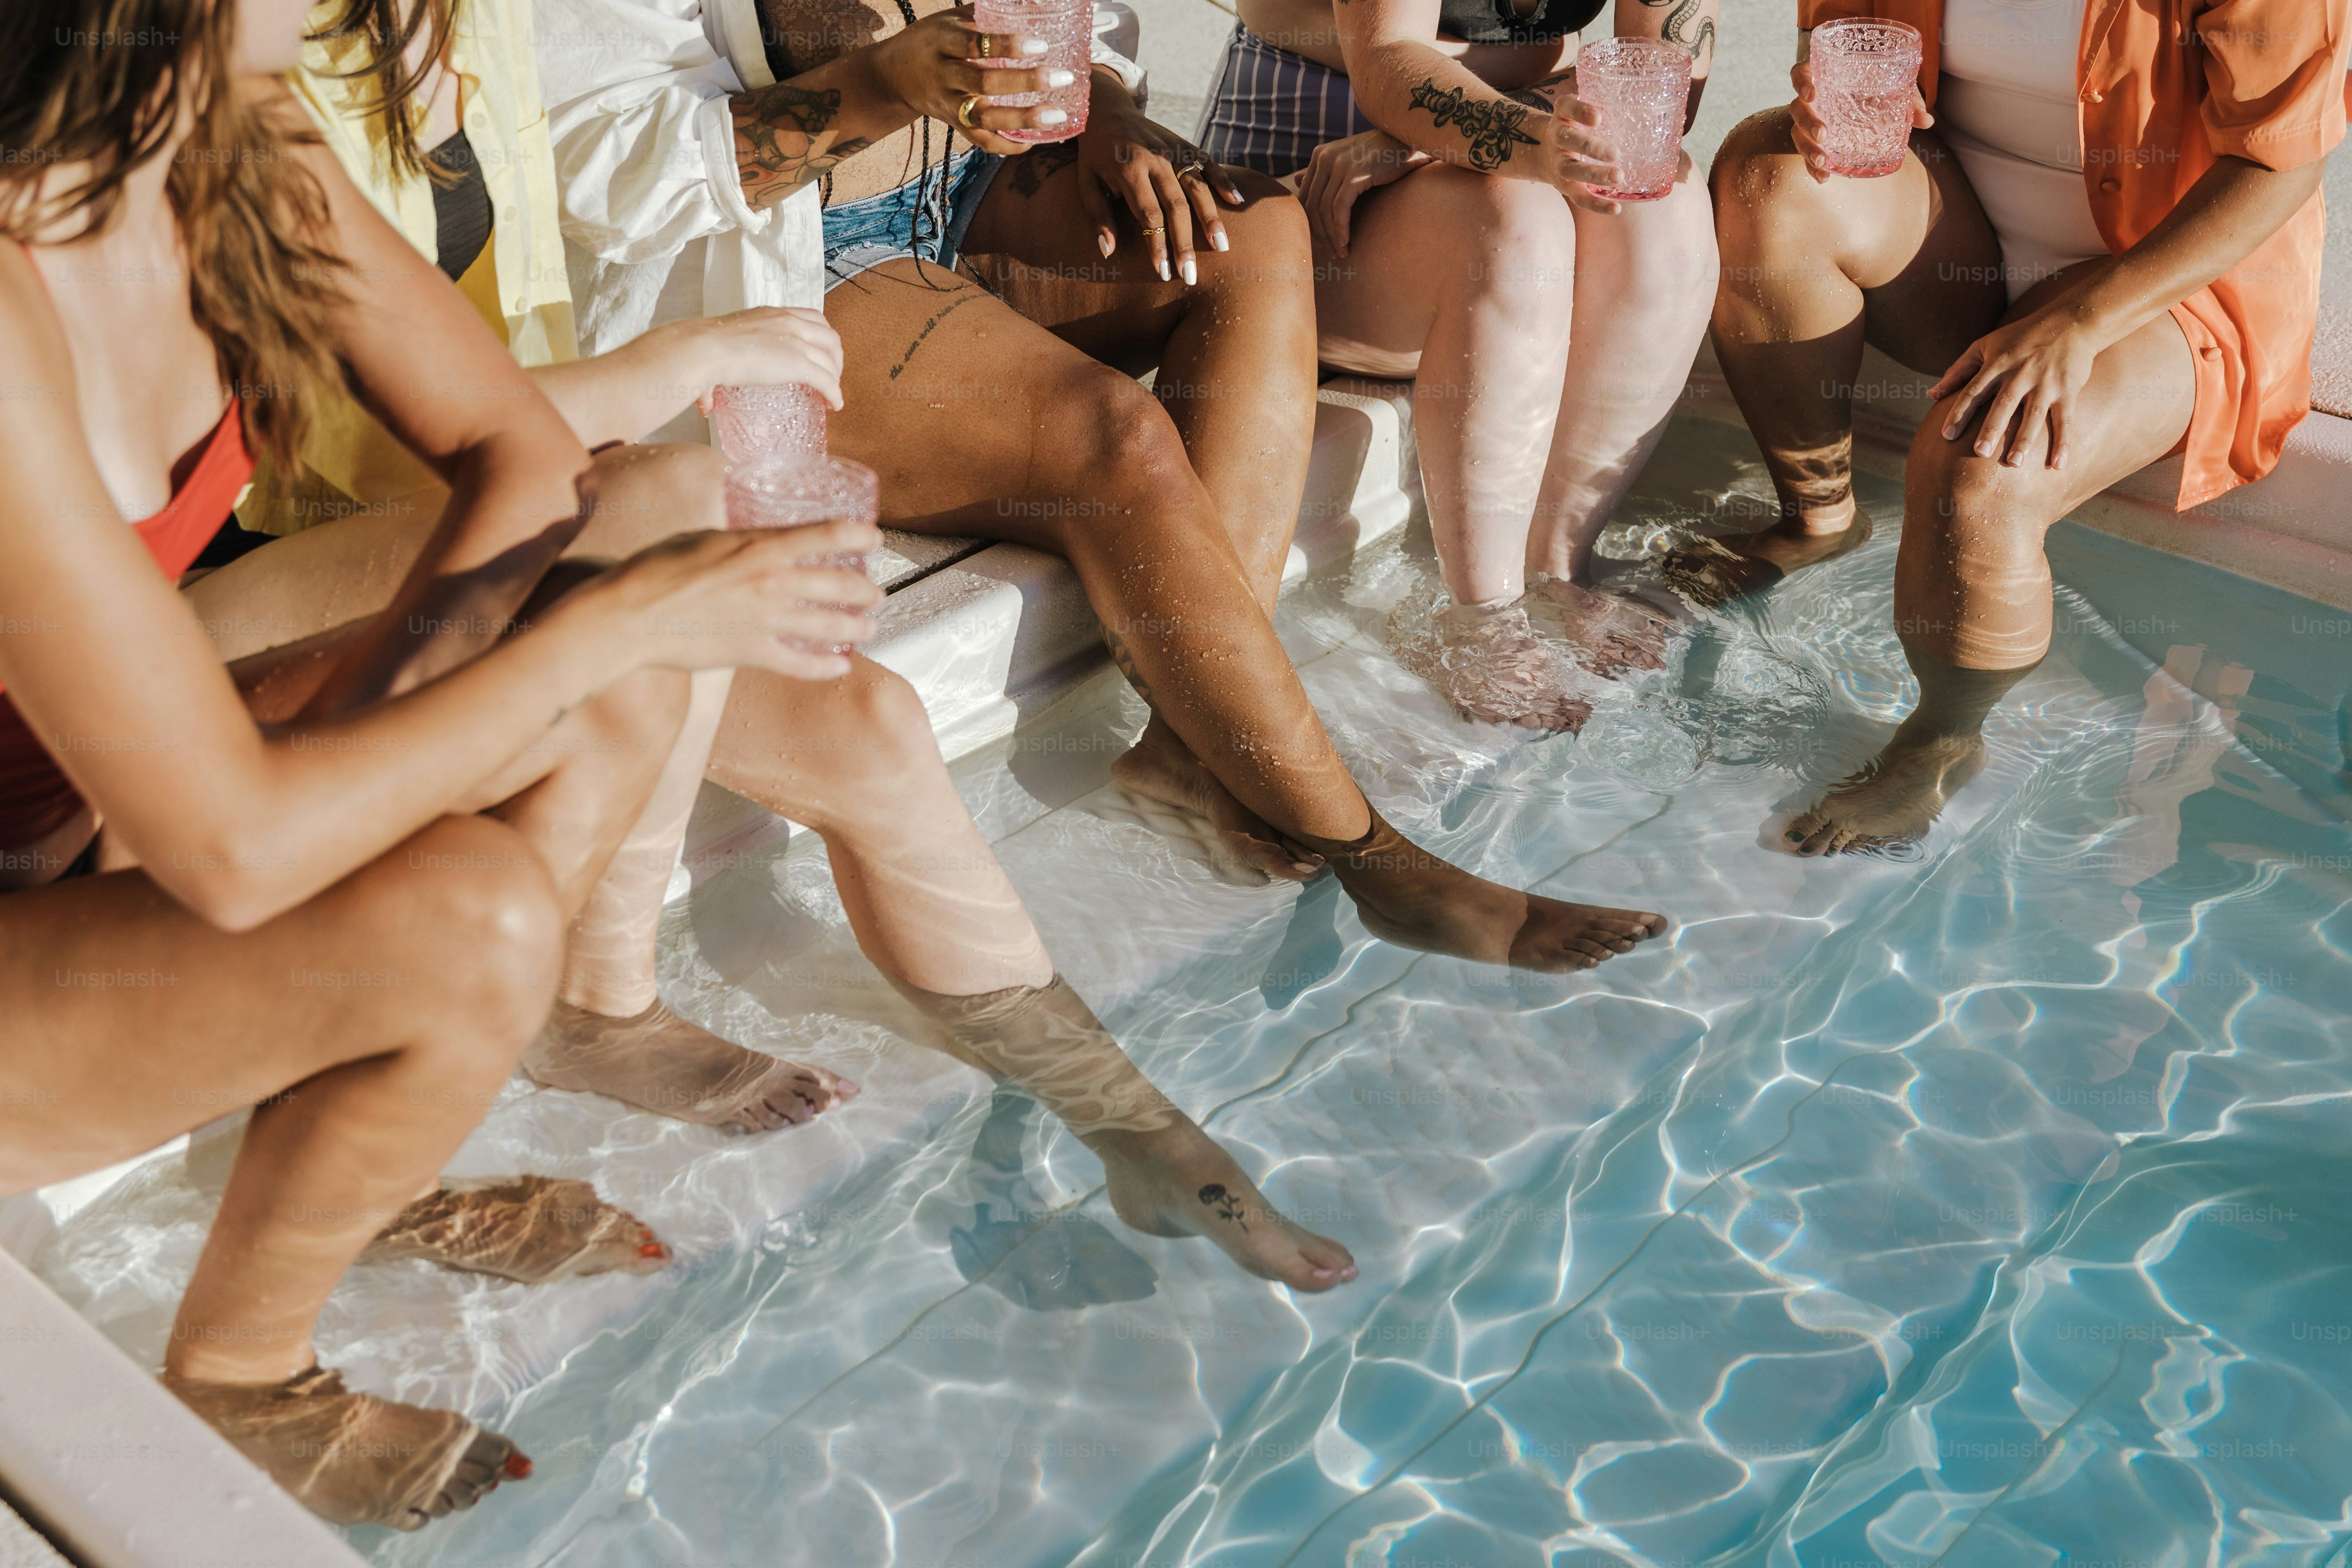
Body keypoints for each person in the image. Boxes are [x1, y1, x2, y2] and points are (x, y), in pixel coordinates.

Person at [199, 0, 1367, 1289]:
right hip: (267, 578)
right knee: (667, 508)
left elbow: (500, 410)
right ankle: (594, 1005)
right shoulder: (231, 85)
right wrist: (690, 368)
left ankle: (1139, 1132)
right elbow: (423, 426)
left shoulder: (449, 28)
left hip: (493, 511)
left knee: (872, 726)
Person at [0, 0, 885, 1528]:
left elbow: (519, 452)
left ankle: (343, 1128)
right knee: (474, 910)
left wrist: (357, 780)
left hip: (81, 811)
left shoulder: (236, 133)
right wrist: (606, 632)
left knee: (602, 677)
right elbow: (237, 857)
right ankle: (244, 1372)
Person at [538, 0, 1674, 971]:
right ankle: (1370, 856)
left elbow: (1079, 25)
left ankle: (1188, 749)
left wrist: (1112, 110)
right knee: (1111, 436)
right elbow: (597, 167)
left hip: (978, 187)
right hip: (797, 254)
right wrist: (881, 85)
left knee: (1254, 233)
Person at [1708, 0, 2344, 854]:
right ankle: (1818, 517)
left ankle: (1943, 740)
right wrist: (1823, 105)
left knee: (1982, 467)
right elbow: (1842, 46)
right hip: (1953, 241)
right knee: (1767, 173)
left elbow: (2278, 163)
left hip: (2166, 280)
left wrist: (2079, 323)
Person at [1196, 0, 1722, 730]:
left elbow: (1660, 88)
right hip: (1307, 191)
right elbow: (1390, 59)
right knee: (1514, 217)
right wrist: (1498, 140)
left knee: (1666, 199)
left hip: (1467, 145)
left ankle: (1556, 565)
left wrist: (1438, 142)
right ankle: (1482, 616)